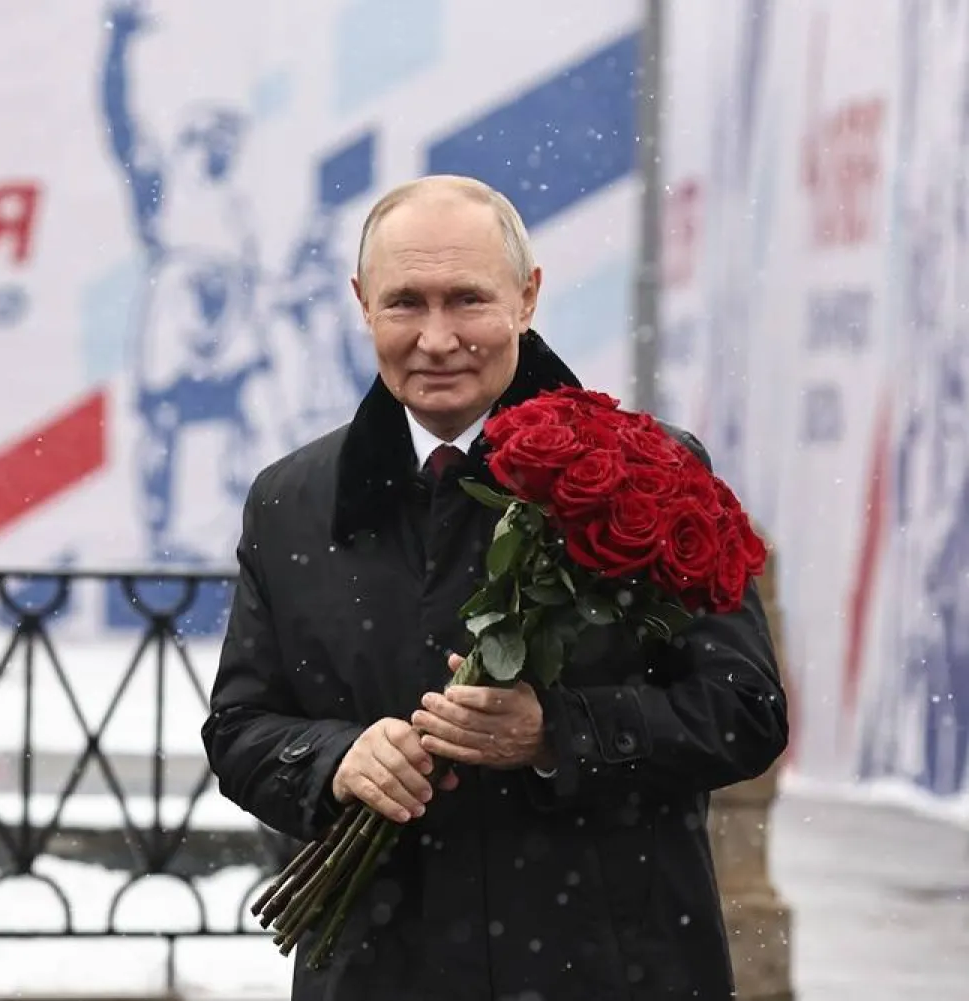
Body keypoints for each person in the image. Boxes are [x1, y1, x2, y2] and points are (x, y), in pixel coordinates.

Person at [201, 175, 788, 1000]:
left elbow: (745, 711)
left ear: (528, 296)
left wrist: (558, 732)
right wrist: (337, 760)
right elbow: (240, 730)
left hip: (614, 969)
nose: (437, 338)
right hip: (379, 972)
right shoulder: (291, 500)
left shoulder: (647, 474)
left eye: (468, 299)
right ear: (362, 303)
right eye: (406, 302)